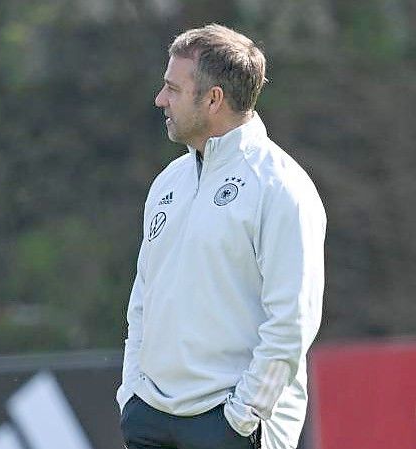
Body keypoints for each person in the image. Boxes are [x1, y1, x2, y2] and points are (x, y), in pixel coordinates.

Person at [117, 24, 325, 449]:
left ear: (213, 99)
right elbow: (143, 299)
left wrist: (243, 416)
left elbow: (291, 323)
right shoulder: (167, 182)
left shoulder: (281, 187)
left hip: (230, 424)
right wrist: (132, 393)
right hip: (151, 419)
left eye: (172, 88)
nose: (160, 99)